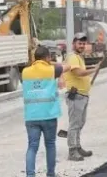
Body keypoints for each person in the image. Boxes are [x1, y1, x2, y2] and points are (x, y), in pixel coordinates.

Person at [22, 46, 71, 177]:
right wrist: (51, 63)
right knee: (50, 145)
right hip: (49, 115)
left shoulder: (25, 72)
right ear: (48, 58)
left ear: (34, 58)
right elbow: (68, 66)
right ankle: (50, 174)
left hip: (31, 116)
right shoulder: (51, 70)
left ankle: (30, 175)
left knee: (32, 146)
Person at [63, 33, 99, 161]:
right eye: (80, 43)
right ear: (74, 44)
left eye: (84, 44)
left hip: (82, 95)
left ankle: (77, 146)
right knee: (74, 124)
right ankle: (72, 151)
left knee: (80, 123)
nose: (82, 46)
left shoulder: (79, 57)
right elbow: (77, 72)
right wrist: (93, 69)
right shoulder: (73, 57)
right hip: (75, 95)